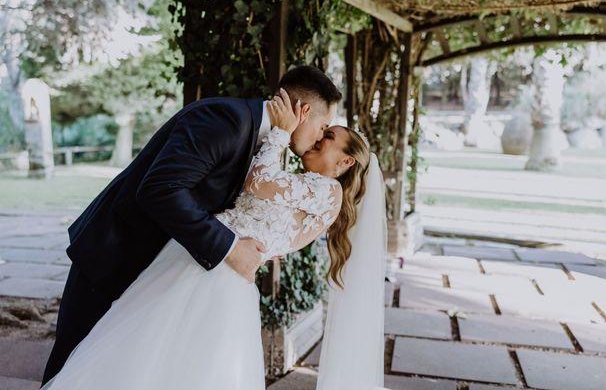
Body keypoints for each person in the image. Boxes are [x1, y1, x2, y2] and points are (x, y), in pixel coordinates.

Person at [41, 88, 385, 390]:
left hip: (215, 271)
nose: (319, 137)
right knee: (122, 352)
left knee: (162, 358)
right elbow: (169, 188)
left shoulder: (326, 190)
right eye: (323, 129)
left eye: (328, 137)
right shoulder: (227, 120)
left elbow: (262, 198)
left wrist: (262, 245)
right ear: (304, 112)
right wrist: (242, 243)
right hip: (138, 250)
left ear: (345, 160)